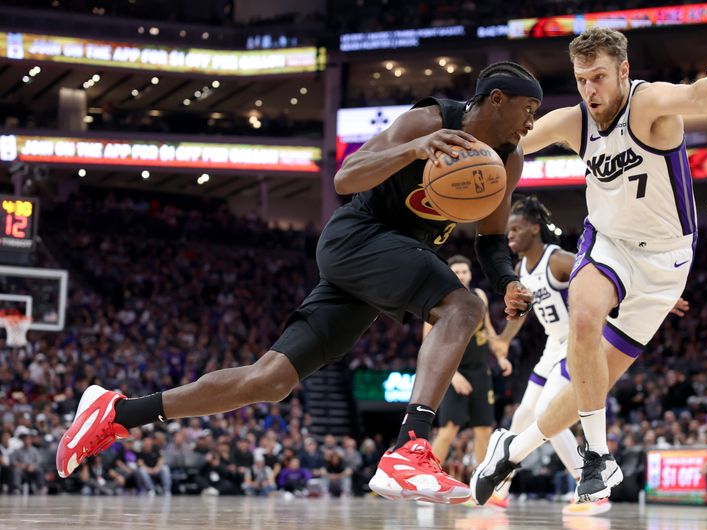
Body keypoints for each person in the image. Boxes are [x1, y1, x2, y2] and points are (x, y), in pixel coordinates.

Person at [56, 61, 542, 505]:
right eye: (529, 109)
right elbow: (346, 178)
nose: (532, 122)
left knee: (268, 381)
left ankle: (119, 412)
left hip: (386, 263)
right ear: (496, 99)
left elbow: (492, 240)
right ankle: (410, 449)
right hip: (358, 238)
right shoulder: (431, 121)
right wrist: (412, 150)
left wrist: (503, 281)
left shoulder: (508, 159)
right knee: (461, 308)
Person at [471, 26, 707, 505]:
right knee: (584, 316)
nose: (590, 89)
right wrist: (468, 146)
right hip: (608, 244)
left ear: (624, 72)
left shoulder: (646, 105)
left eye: (599, 77)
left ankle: (511, 450)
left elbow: (694, 95)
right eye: (582, 79)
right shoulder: (576, 120)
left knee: (589, 384)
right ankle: (598, 457)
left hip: (666, 262)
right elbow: (514, 141)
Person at [484, 194, 609, 515]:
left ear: (535, 228)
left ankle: (592, 489)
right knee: (522, 416)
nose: (509, 235)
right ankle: (501, 488)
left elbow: (600, 278)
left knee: (547, 415)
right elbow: (523, 311)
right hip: (552, 345)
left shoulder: (558, 260)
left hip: (575, 345)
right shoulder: (520, 269)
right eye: (507, 230)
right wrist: (503, 340)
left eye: (516, 229)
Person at [428, 255, 512, 505]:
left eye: (464, 271)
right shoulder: (438, 301)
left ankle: (480, 488)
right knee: (449, 428)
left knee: (484, 429)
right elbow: (429, 344)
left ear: (470, 274)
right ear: (449, 274)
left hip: (480, 370)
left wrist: (500, 356)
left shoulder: (480, 297)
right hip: (454, 371)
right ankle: (428, 481)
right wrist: (453, 376)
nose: (461, 275)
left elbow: (488, 331)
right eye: (456, 271)